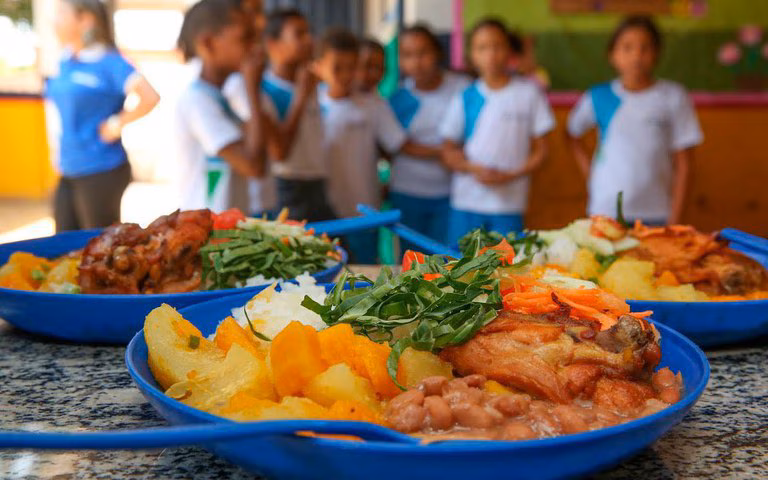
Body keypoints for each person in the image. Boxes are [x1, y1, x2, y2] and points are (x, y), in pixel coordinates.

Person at [567, 15, 702, 225]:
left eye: (645, 48)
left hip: (657, 212)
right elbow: (571, 134)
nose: (637, 56)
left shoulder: (673, 96)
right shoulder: (597, 96)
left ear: (657, 53)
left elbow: (685, 164)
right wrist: (590, 172)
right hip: (605, 210)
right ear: (612, 55)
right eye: (627, 47)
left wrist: (675, 220)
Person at [47, 0, 159, 231]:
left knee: (98, 246)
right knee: (63, 245)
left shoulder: (111, 63)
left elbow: (150, 97)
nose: (54, 21)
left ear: (85, 19)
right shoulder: (66, 61)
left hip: (101, 168)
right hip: (68, 168)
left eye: (61, 14)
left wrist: (116, 124)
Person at [440, 18, 554, 245]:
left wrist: (511, 174)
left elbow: (543, 150)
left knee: (507, 270)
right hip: (466, 203)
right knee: (459, 268)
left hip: (509, 204)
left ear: (509, 49)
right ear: (472, 54)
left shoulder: (528, 94)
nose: (491, 54)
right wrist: (472, 168)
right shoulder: (465, 96)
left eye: (497, 45)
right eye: (482, 47)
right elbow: (447, 151)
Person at [315, 29, 414, 263]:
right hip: (323, 209)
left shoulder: (373, 104)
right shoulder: (312, 102)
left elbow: (395, 145)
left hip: (363, 210)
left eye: (351, 67)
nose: (348, 74)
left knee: (365, 272)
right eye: (338, 67)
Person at [174, 0, 267, 213]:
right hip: (207, 229)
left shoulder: (220, 97)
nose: (255, 47)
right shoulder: (196, 100)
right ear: (208, 43)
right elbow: (254, 166)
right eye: (245, 38)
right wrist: (252, 90)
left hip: (226, 226)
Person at [389, 24, 470, 247]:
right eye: (408, 55)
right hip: (407, 193)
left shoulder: (462, 89)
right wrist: (444, 151)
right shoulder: (399, 99)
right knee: (411, 262)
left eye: (423, 52)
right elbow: (398, 145)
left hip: (450, 194)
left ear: (438, 53)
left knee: (447, 261)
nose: (417, 61)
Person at [262, 9, 334, 222]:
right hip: (290, 187)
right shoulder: (266, 90)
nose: (309, 39)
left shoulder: (311, 83)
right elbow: (279, 153)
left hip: (317, 183)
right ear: (273, 44)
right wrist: (300, 98)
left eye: (309, 32)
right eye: (299, 34)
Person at [220, 0, 276, 218]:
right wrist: (251, 87)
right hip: (252, 203)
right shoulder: (236, 83)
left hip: (262, 198)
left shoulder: (251, 78)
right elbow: (263, 158)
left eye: (261, 12)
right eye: (252, 12)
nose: (261, 22)